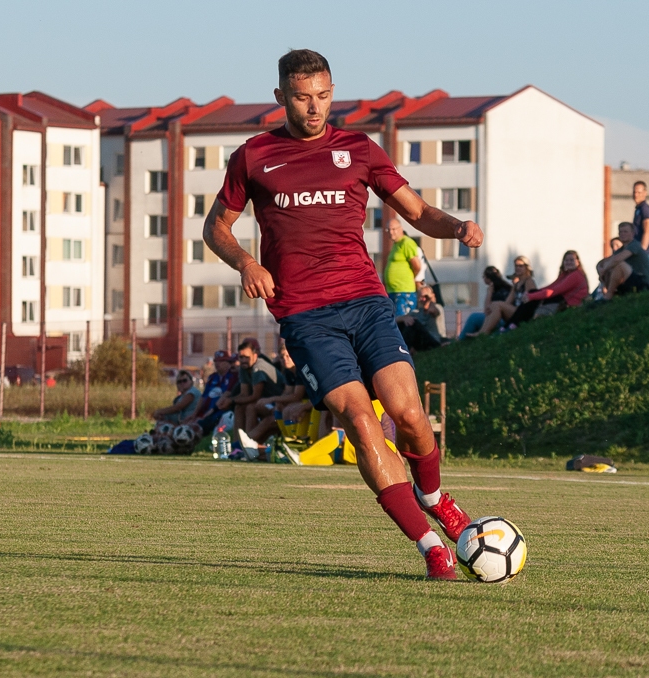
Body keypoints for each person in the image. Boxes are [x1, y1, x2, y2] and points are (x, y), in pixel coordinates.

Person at [204, 49, 481, 579]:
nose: (315, 108)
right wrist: (245, 261)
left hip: (367, 304)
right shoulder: (254, 155)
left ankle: (436, 497)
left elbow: (418, 212)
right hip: (307, 318)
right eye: (304, 97)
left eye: (324, 96)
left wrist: (458, 227)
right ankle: (430, 547)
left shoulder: (357, 148)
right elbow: (216, 226)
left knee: (410, 415)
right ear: (281, 96)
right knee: (360, 421)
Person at [508, 250, 589, 326]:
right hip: (561, 299)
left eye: (572, 260)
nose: (569, 262)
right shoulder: (566, 274)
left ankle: (514, 324)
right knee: (533, 293)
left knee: (533, 299)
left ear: (578, 262)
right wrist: (534, 293)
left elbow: (554, 290)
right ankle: (512, 324)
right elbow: (552, 286)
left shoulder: (576, 275)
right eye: (566, 260)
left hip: (567, 303)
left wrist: (531, 296)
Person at [467, 256, 537, 337]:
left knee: (497, 304)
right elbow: (507, 302)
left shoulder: (529, 281)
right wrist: (492, 307)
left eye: (520, 266)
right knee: (494, 305)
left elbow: (530, 303)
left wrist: (499, 305)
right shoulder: (517, 284)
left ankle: (483, 332)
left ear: (526, 268)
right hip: (516, 312)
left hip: (524, 314)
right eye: (516, 266)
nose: (517, 268)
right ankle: (482, 332)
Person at [230, 338, 284, 442]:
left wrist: (231, 400)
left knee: (251, 407)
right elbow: (244, 394)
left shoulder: (259, 369)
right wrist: (230, 400)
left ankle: (250, 443)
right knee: (239, 407)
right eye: (241, 357)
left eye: (247, 357)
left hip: (276, 403)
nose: (244, 360)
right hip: (266, 402)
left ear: (255, 356)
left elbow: (255, 396)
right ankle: (236, 445)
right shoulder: (244, 367)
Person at [597, 222, 649, 299]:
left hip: (642, 282)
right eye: (620, 232)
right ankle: (607, 293)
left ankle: (608, 295)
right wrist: (600, 267)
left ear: (632, 233)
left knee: (620, 265)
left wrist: (604, 268)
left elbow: (617, 259)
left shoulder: (635, 245)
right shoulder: (621, 250)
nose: (622, 234)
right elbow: (607, 261)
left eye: (625, 231)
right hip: (628, 281)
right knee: (608, 266)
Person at [191, 350, 238, 434]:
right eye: (216, 361)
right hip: (206, 411)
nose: (217, 363)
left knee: (201, 426)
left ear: (228, 363)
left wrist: (206, 416)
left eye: (221, 361)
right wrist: (195, 414)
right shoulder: (212, 377)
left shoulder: (232, 377)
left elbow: (225, 396)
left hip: (218, 412)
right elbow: (203, 396)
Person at [460, 267, 512, 339]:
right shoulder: (506, 287)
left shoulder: (495, 290)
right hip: (504, 319)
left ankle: (461, 339)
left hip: (500, 320)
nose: (483, 279)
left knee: (473, 318)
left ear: (488, 278)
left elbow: (487, 310)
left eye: (484, 277)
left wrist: (489, 293)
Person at [383, 218, 421, 315]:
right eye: (388, 230)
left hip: (404, 291)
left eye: (393, 229)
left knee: (404, 322)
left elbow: (417, 265)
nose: (391, 232)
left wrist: (412, 276)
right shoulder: (396, 245)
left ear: (401, 229)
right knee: (395, 322)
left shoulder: (406, 243)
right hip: (393, 291)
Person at [396, 285, 446, 351]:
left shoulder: (438, 307)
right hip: (421, 342)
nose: (423, 299)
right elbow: (395, 320)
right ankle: (400, 349)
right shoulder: (417, 312)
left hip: (434, 340)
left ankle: (404, 350)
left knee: (414, 322)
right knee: (405, 322)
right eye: (421, 297)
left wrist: (431, 300)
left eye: (426, 296)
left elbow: (432, 310)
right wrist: (404, 318)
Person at [632, 181, 649, 274]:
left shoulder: (645, 208)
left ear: (645, 193)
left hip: (645, 255)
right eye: (634, 192)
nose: (636, 195)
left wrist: (641, 253)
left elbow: (648, 232)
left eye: (639, 192)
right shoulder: (638, 209)